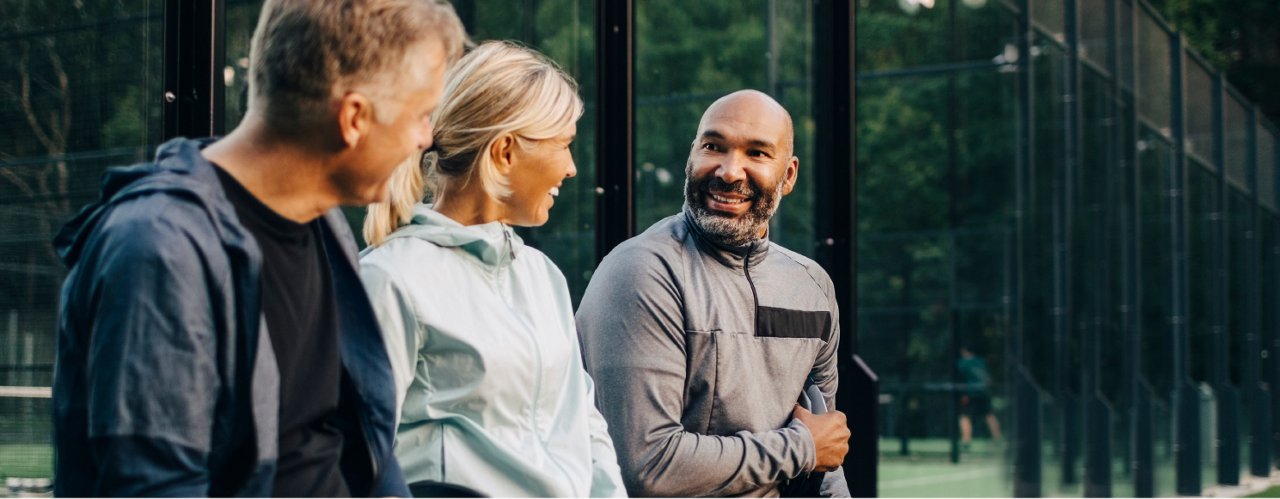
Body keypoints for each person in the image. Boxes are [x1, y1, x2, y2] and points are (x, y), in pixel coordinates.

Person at [50, 1, 465, 496]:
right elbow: (158, 486)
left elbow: (358, 443)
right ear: (353, 117)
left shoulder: (322, 222)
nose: (426, 137)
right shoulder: (160, 251)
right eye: (421, 115)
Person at [359, 40, 627, 498]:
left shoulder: (543, 276)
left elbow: (584, 424)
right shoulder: (390, 280)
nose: (572, 169)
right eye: (563, 145)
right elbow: (359, 453)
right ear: (504, 152)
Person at [576, 90, 852, 497]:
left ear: (788, 176)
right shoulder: (641, 273)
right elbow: (648, 466)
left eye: (756, 153)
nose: (729, 171)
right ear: (691, 157)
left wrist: (813, 449)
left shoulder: (811, 286)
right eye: (713, 146)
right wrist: (801, 448)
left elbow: (825, 447)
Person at [957, 346, 1002, 448]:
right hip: (984, 392)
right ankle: (998, 438)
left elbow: (961, 380)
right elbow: (987, 379)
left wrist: (964, 394)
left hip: (970, 393)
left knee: (965, 415)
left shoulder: (963, 363)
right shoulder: (981, 362)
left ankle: (966, 441)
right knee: (989, 415)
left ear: (964, 351)